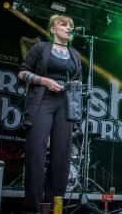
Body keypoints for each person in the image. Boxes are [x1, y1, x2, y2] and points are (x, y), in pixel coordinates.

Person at [19, 14, 82, 213]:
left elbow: (78, 80)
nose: (68, 27)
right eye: (63, 24)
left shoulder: (75, 55)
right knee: (36, 153)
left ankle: (55, 208)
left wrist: (74, 86)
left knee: (62, 157)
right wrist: (44, 81)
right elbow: (22, 72)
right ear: (53, 29)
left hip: (64, 105)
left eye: (70, 25)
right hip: (42, 101)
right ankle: (32, 208)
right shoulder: (41, 48)